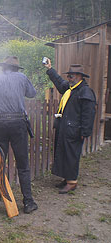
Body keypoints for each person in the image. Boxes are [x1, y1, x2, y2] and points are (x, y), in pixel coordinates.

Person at [0, 56, 38, 214]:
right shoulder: (22, 78)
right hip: (18, 125)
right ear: (16, 69)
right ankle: (28, 203)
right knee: (23, 165)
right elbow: (32, 93)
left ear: (3, 68)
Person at [44, 58, 96, 194]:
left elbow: (88, 114)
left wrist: (85, 131)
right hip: (66, 128)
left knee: (71, 155)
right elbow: (60, 83)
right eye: (68, 75)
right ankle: (67, 178)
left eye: (71, 75)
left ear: (79, 77)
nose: (68, 78)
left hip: (75, 130)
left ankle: (72, 182)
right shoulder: (71, 89)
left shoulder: (85, 92)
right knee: (63, 153)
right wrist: (50, 69)